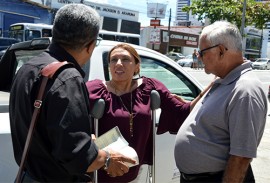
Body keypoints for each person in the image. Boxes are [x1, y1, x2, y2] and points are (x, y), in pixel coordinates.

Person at [9, 4, 135, 182]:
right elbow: (78, 159)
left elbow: (45, 132)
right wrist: (107, 157)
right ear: (90, 45)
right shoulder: (68, 78)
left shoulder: (27, 68)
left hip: (26, 175)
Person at [86, 43, 213, 183]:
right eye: (114, 60)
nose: (119, 63)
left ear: (137, 66)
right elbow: (73, 125)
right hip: (101, 172)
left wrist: (211, 87)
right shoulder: (94, 89)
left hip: (134, 172)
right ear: (109, 66)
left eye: (125, 59)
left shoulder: (149, 87)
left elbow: (182, 112)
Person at [174, 21, 268, 183]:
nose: (198, 56)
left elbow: (241, 158)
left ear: (220, 51)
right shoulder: (225, 79)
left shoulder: (245, 90)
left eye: (202, 52)